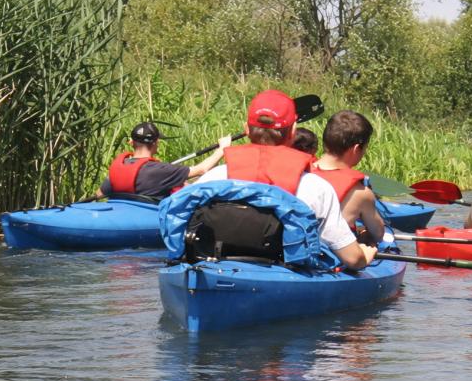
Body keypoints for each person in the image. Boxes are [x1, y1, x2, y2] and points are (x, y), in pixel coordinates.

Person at [197, 89, 378, 270]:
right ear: (292, 131)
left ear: (246, 129)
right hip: (285, 273)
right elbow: (353, 259)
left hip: (216, 267)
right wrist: (364, 255)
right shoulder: (316, 188)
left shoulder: (214, 178)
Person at [96, 121, 231, 200]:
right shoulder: (161, 170)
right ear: (156, 143)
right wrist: (222, 148)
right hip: (148, 217)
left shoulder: (119, 167)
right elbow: (202, 169)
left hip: (123, 213)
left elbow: (99, 194)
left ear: (131, 142)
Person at [311, 110, 386, 245]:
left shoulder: (301, 172)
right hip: (334, 255)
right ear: (356, 149)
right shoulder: (360, 193)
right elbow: (378, 234)